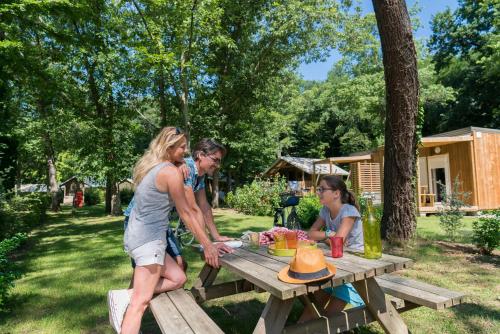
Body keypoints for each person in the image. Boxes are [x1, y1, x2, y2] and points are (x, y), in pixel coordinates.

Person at [107, 127, 226, 334]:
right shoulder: (174, 171)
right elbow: (189, 211)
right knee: (140, 302)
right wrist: (208, 245)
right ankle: (127, 299)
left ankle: (128, 296)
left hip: (148, 231)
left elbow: (201, 207)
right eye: (182, 148)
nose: (185, 151)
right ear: (169, 147)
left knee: (178, 276)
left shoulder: (170, 167)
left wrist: (213, 238)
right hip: (146, 234)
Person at [299, 175, 365, 322]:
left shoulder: (349, 211)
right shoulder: (325, 210)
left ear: (336, 193)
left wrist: (329, 239)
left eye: (322, 189)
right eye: (318, 189)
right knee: (308, 315)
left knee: (327, 321)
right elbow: (310, 234)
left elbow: (339, 243)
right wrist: (329, 234)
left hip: (356, 270)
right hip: (336, 264)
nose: (318, 192)